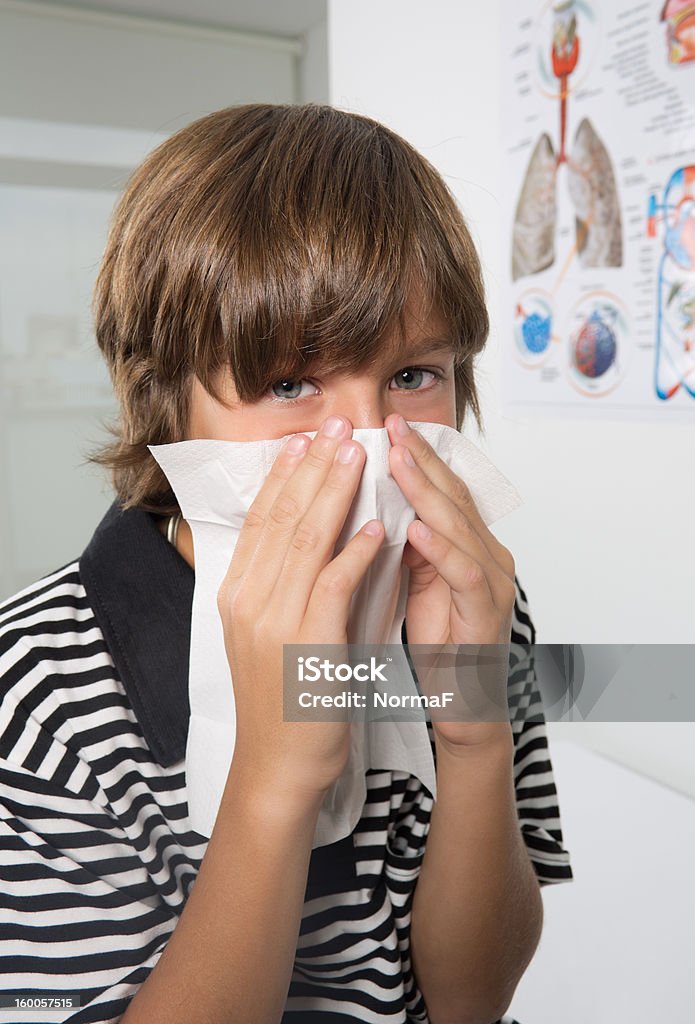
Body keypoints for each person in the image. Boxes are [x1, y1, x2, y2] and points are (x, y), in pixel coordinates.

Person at [0, 103, 573, 1024]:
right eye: (288, 384)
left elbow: (472, 1000)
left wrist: (470, 735)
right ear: (162, 400)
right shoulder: (35, 690)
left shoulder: (473, 610)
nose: (367, 446)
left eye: (413, 377)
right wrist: (273, 779)